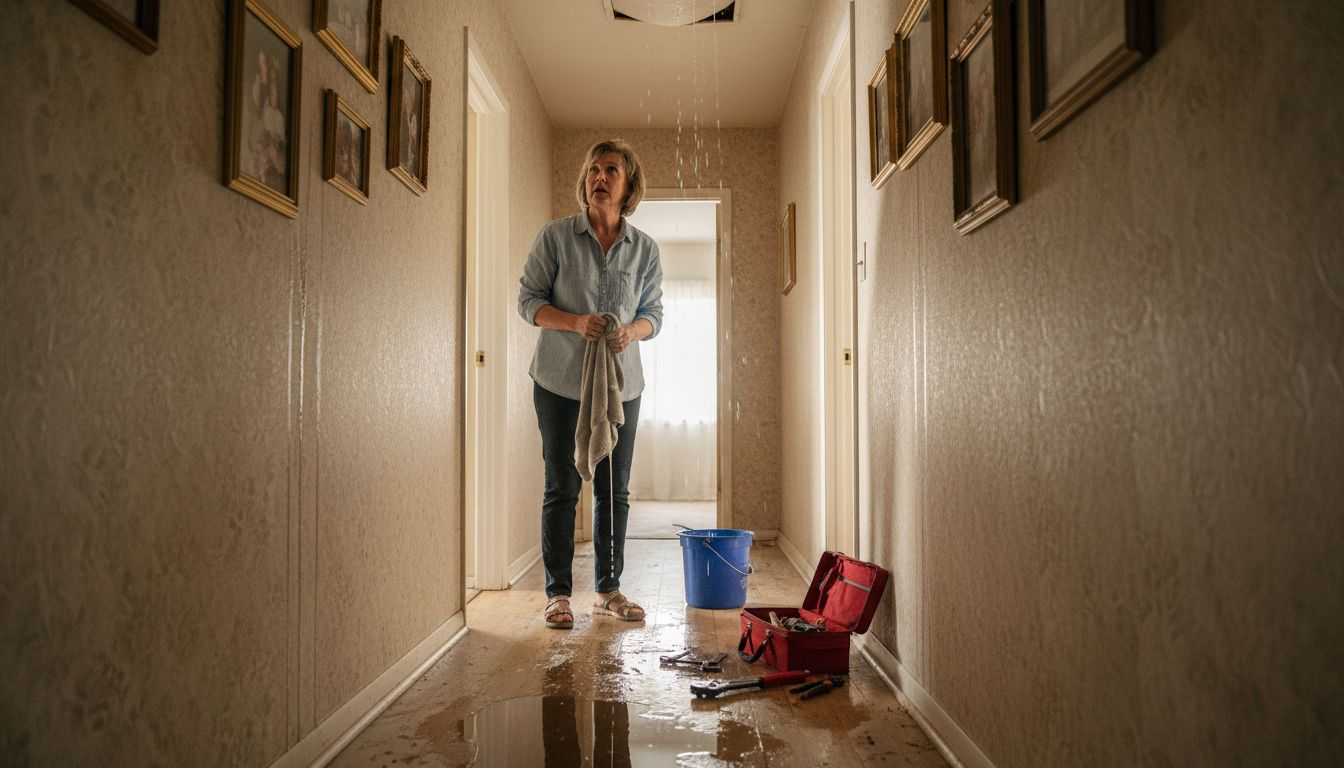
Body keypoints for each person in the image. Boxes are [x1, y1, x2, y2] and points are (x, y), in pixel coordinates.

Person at [518, 139, 664, 629]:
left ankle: (608, 591)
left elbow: (653, 315)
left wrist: (631, 330)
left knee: (613, 490)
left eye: (611, 170)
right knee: (561, 486)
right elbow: (529, 302)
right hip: (559, 382)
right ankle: (558, 594)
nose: (599, 177)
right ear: (585, 181)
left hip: (621, 388)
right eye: (593, 170)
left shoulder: (644, 248)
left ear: (629, 187)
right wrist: (575, 323)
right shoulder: (555, 237)